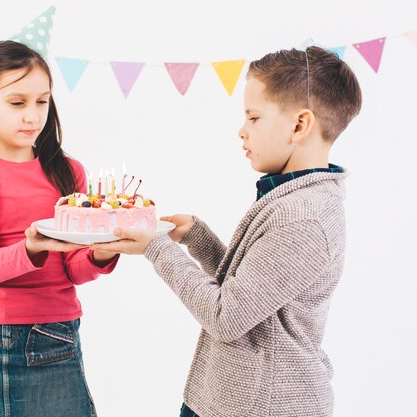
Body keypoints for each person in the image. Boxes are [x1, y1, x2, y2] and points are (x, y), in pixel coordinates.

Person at [92, 46, 362, 417]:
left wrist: (157, 249)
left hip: (261, 407)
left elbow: (227, 316)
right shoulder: (294, 200)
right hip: (237, 399)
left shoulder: (304, 218)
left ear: (300, 125)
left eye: (253, 117)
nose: (242, 130)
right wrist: (198, 240)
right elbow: (255, 295)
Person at [0, 40, 118, 417]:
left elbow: (74, 266)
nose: (33, 116)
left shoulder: (68, 172)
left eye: (42, 101)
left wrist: (103, 250)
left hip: (54, 336)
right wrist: (33, 248)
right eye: (17, 103)